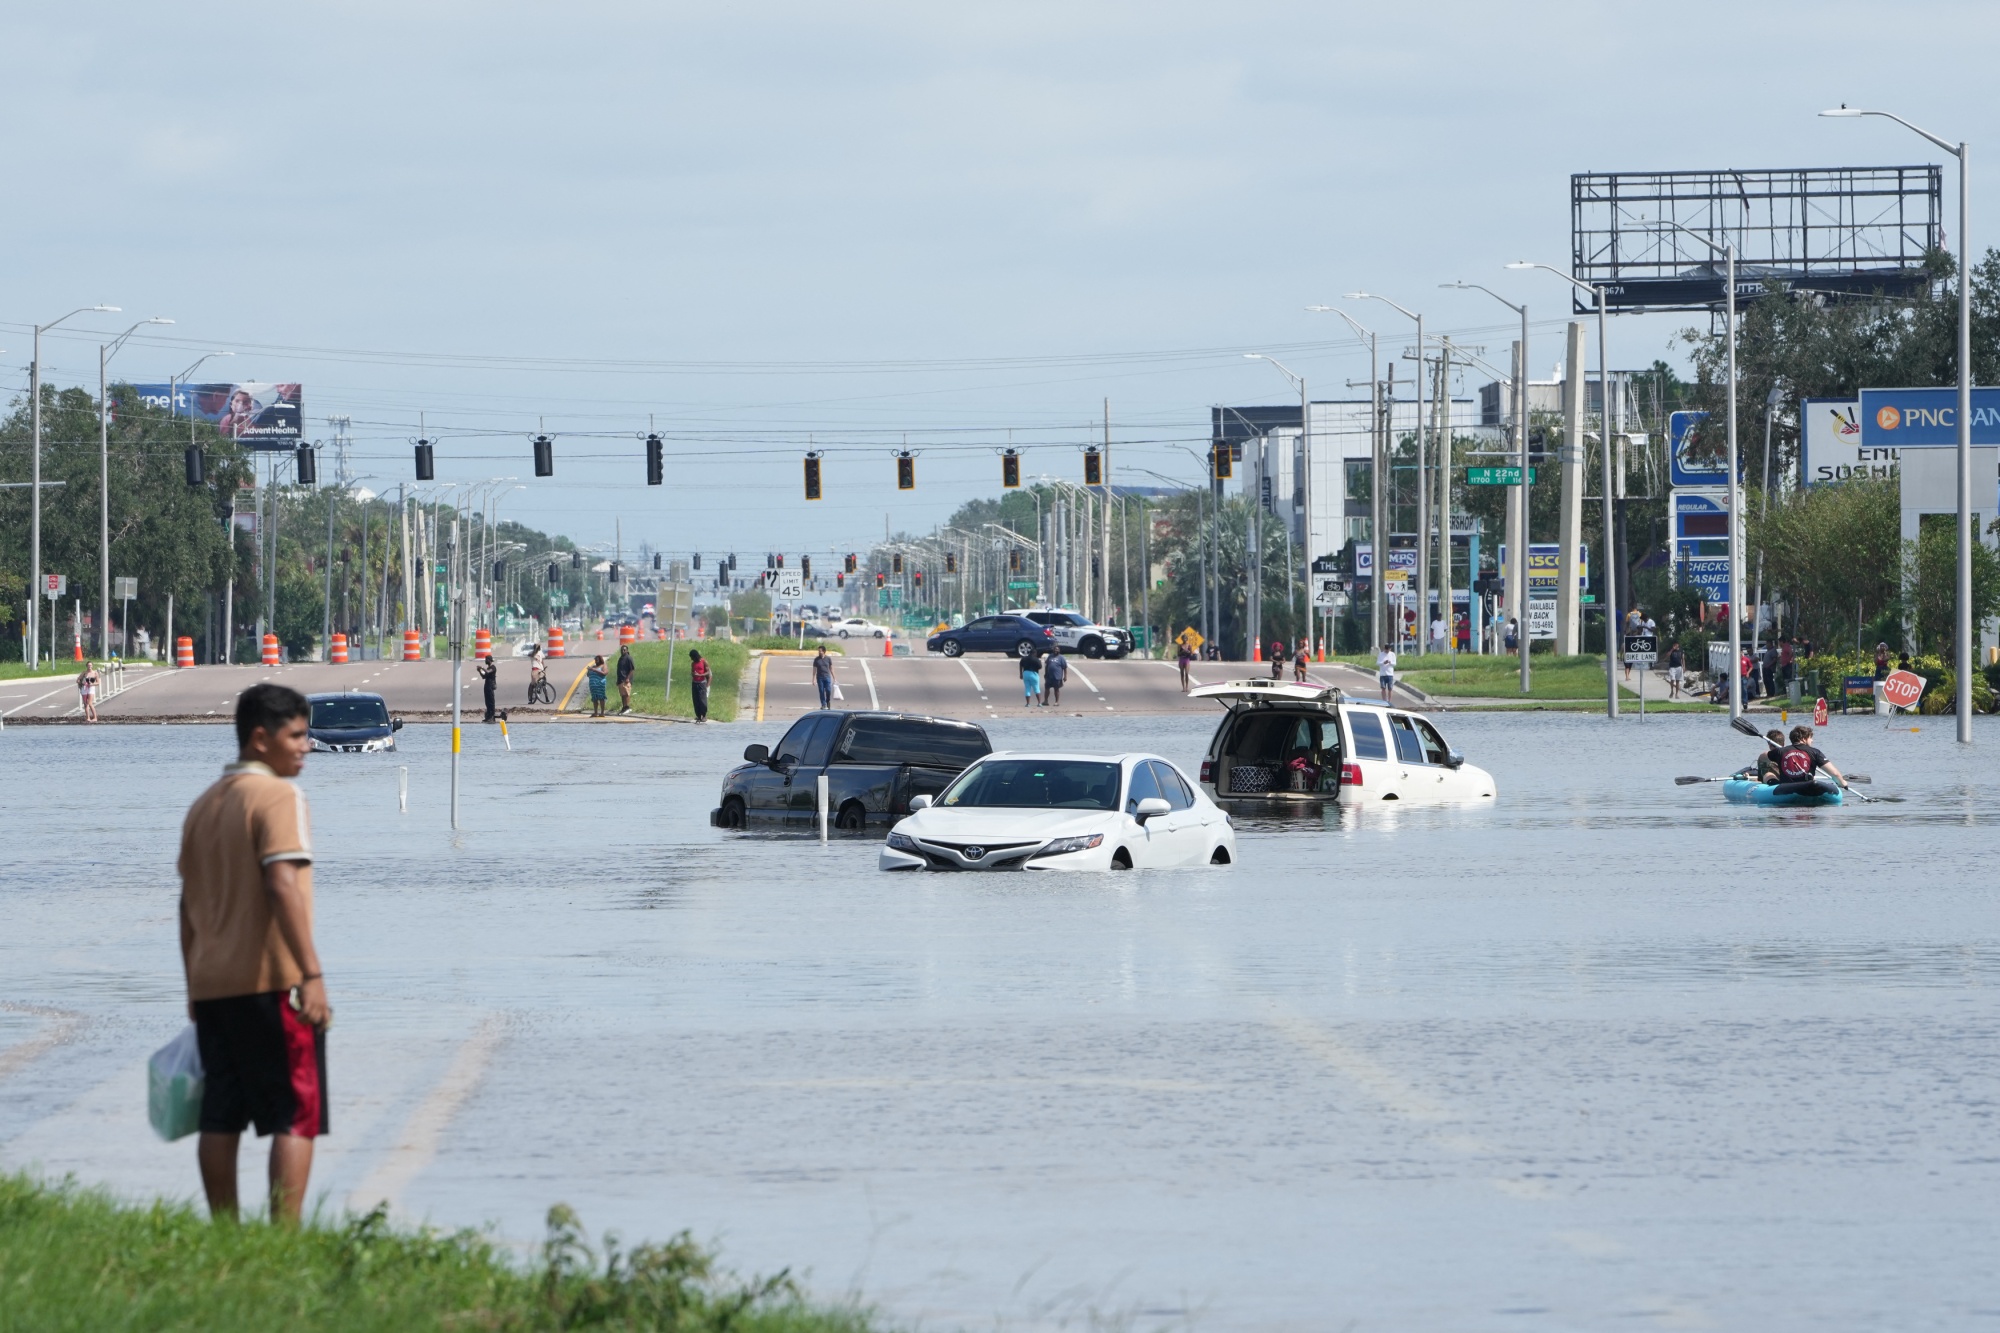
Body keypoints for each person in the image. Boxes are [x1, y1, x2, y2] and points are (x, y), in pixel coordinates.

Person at [177, 683, 329, 1224]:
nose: (307, 746)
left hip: (213, 987)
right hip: (273, 984)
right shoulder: (279, 797)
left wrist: (193, 988)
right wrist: (310, 974)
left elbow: (186, 907)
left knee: (220, 1116)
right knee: (297, 1113)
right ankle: (283, 1243)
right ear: (260, 739)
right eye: (297, 735)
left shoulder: (202, 806)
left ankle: (226, 1234)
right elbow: (282, 883)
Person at [1775, 723, 1850, 791]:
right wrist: (1843, 783)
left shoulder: (1780, 751)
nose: (1812, 740)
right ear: (1804, 739)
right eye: (1810, 738)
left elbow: (1764, 756)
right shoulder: (1815, 752)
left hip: (1786, 789)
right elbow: (1834, 773)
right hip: (1808, 788)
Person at [689, 648, 710, 722]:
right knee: (696, 700)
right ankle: (698, 715)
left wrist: (701, 674)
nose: (691, 659)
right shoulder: (693, 663)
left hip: (702, 683)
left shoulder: (704, 661)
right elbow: (691, 672)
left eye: (692, 657)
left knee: (702, 700)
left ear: (696, 656)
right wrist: (693, 674)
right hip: (695, 683)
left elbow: (708, 672)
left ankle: (704, 715)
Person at [477, 653, 499, 722]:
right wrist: (479, 671)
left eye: (486, 659)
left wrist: (482, 668)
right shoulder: (488, 668)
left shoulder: (493, 667)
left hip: (490, 686)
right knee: (487, 702)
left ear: (489, 660)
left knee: (491, 701)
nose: (485, 661)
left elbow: (488, 672)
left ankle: (492, 716)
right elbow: (484, 676)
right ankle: (488, 716)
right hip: (486, 685)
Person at [812, 644, 835, 709]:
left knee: (828, 690)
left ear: (824, 651)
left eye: (820, 651)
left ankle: (828, 701)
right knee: (821, 691)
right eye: (818, 651)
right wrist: (813, 679)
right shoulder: (816, 660)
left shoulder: (828, 659)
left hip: (827, 677)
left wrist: (834, 678)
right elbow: (814, 670)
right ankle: (823, 704)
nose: (819, 652)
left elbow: (831, 668)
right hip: (820, 677)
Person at [615, 644, 635, 714]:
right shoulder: (620, 658)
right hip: (620, 679)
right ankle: (624, 707)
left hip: (626, 680)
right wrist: (618, 680)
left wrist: (628, 678)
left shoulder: (628, 658)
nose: (623, 651)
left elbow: (632, 669)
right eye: (622, 650)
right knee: (622, 695)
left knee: (626, 694)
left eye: (624, 650)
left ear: (627, 650)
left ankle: (627, 707)